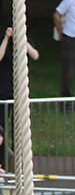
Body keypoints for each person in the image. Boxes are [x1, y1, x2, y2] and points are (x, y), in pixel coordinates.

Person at [0, 20, 38, 168]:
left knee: (19, 128)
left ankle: (18, 160)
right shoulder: (5, 42)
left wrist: (22, 39)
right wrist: (7, 38)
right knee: (2, 126)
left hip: (20, 91)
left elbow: (35, 55)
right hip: (4, 90)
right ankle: (2, 160)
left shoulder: (26, 41)